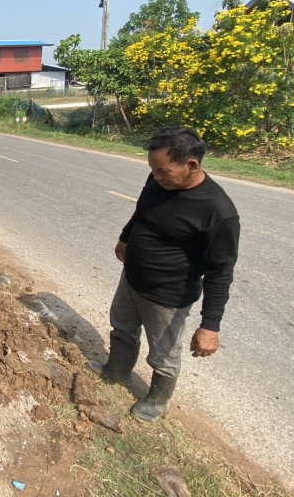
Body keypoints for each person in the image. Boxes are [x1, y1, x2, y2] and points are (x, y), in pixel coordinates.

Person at [89, 127, 240, 423]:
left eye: (163, 171)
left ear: (191, 165)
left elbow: (221, 272)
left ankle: (157, 400)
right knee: (122, 327)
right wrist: (125, 237)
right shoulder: (158, 181)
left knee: (164, 352)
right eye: (153, 170)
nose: (156, 177)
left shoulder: (218, 211)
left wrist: (210, 326)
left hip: (168, 295)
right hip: (132, 277)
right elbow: (142, 211)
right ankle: (117, 371)